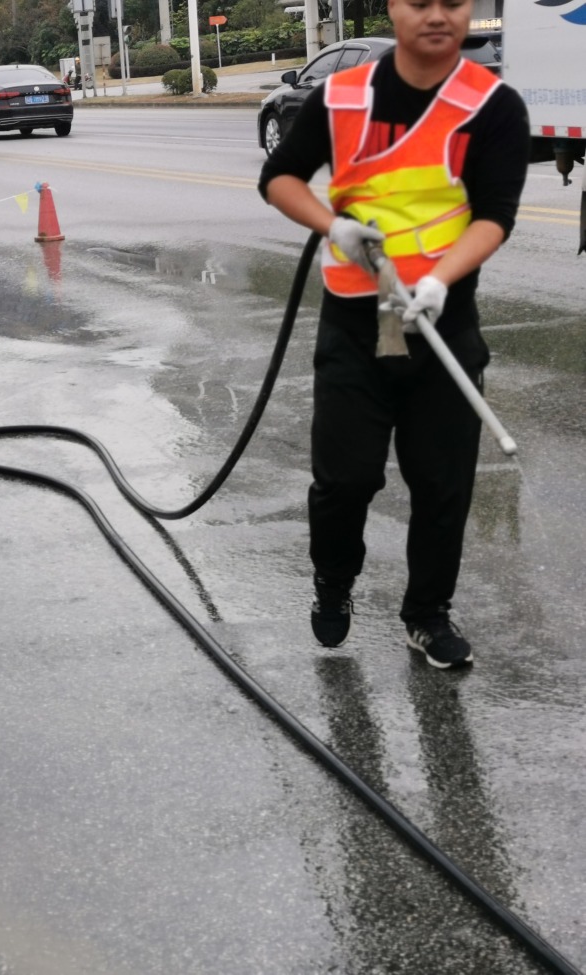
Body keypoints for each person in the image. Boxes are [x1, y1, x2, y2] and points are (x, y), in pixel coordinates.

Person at [259, 0, 529, 669]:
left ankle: (427, 614)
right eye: (419, 2)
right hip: (354, 325)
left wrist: (441, 279)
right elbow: (279, 177)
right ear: (392, 8)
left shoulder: (492, 105)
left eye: (454, 2)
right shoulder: (343, 96)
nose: (437, 15)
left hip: (442, 325)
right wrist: (333, 227)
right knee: (344, 480)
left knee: (443, 485)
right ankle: (334, 579)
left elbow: (494, 215)